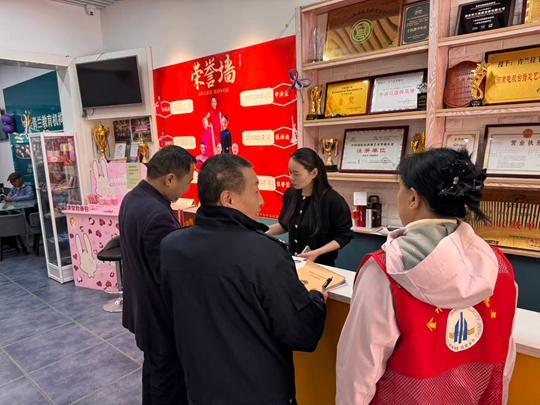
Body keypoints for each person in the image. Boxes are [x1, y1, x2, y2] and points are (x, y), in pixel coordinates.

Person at [336, 148, 518, 405]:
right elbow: (504, 363)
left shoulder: (386, 269)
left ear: (413, 198)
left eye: (400, 188)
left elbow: (359, 370)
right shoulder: (500, 267)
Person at [160, 154, 327, 405]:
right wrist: (316, 300)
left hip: (199, 388)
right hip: (259, 392)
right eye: (256, 190)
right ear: (228, 198)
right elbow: (300, 332)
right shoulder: (266, 255)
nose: (261, 201)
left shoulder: (171, 246)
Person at [119, 146, 195, 405]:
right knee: (169, 384)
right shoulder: (157, 215)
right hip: (159, 317)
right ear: (170, 179)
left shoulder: (133, 197)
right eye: (187, 182)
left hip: (142, 309)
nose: (187, 189)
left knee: (154, 373)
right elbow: (169, 277)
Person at [267, 148, 353, 266]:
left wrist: (317, 253)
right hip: (294, 264)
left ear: (313, 173)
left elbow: (344, 235)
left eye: (296, 173)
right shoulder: (290, 194)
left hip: (321, 267)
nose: (291, 177)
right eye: (290, 172)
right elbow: (284, 225)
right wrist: (261, 231)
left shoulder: (332, 200)